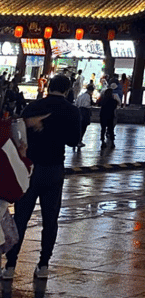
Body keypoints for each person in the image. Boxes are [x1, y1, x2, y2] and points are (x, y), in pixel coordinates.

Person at [1, 74, 81, 280]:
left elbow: (18, 134)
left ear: (49, 87)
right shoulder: (72, 111)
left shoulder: (33, 107)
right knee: (50, 219)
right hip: (54, 169)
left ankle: (10, 266)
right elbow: (74, 140)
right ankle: (43, 264)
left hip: (31, 169)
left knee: (21, 217)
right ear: (67, 90)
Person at [74, 84, 94, 149]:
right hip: (85, 112)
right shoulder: (88, 96)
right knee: (83, 127)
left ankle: (76, 140)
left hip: (79, 111)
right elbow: (87, 105)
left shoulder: (81, 95)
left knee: (79, 127)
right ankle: (79, 141)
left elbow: (76, 103)